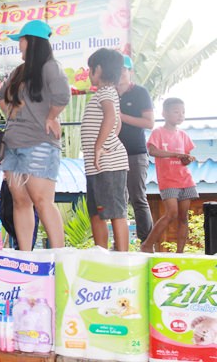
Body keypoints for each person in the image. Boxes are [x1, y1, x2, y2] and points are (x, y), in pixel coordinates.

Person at [0, 19, 70, 251]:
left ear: (32, 42)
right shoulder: (18, 71)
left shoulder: (50, 66)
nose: (19, 45)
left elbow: (62, 95)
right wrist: (13, 113)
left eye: (21, 40)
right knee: (20, 201)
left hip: (39, 143)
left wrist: (51, 117)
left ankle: (59, 256)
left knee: (42, 201)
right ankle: (25, 256)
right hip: (12, 145)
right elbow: (1, 96)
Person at [81, 48, 129, 251]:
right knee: (97, 212)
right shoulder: (105, 93)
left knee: (116, 211)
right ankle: (101, 252)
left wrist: (100, 146)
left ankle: (122, 254)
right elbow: (116, 124)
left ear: (98, 69)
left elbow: (110, 117)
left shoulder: (107, 93)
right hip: (98, 167)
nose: (89, 72)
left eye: (90, 68)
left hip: (109, 164)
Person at [141, 98, 197, 253]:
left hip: (185, 180)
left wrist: (186, 159)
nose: (180, 115)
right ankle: (147, 245)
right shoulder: (158, 132)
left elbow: (184, 160)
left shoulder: (184, 135)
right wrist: (176, 154)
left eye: (183, 112)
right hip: (168, 180)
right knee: (171, 213)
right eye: (176, 111)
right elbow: (152, 151)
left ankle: (180, 252)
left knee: (183, 217)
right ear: (164, 113)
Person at [116, 55, 155, 243]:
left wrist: (121, 117)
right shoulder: (108, 93)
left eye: (124, 69)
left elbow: (149, 123)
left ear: (130, 71)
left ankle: (147, 243)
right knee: (118, 200)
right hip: (113, 154)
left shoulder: (140, 92)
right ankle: (120, 243)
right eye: (117, 69)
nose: (121, 73)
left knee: (138, 198)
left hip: (135, 152)